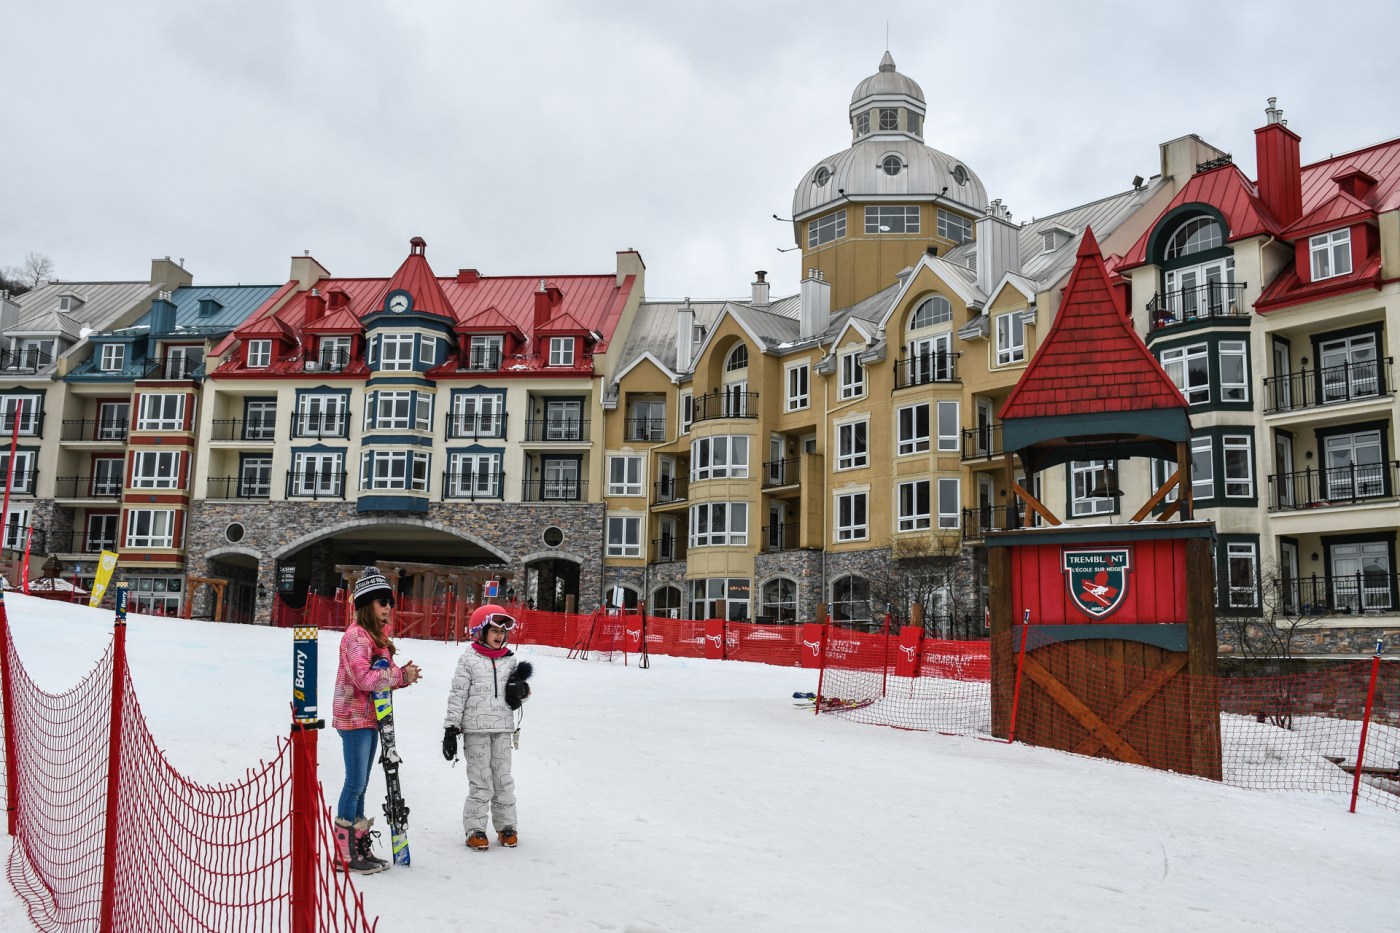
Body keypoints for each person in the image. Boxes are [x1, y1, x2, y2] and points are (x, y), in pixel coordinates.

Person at [332, 566, 421, 874]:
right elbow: (364, 679)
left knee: (362, 784)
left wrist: (403, 677)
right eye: (383, 602)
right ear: (367, 603)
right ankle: (344, 853)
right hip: (353, 715)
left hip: (369, 718)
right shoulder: (356, 637)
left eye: (390, 603)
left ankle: (358, 847)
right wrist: (398, 675)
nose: (388, 608)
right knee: (354, 783)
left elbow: (382, 678)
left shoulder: (375, 637)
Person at [442, 603, 532, 851]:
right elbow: (457, 694)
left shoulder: (510, 661)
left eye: (503, 632)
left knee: (503, 780)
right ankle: (475, 828)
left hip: (503, 728)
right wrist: (451, 728)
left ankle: (506, 826)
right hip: (475, 730)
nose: (499, 635)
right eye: (494, 630)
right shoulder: (468, 660)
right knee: (481, 781)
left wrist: (521, 692)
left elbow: (522, 696)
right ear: (480, 631)